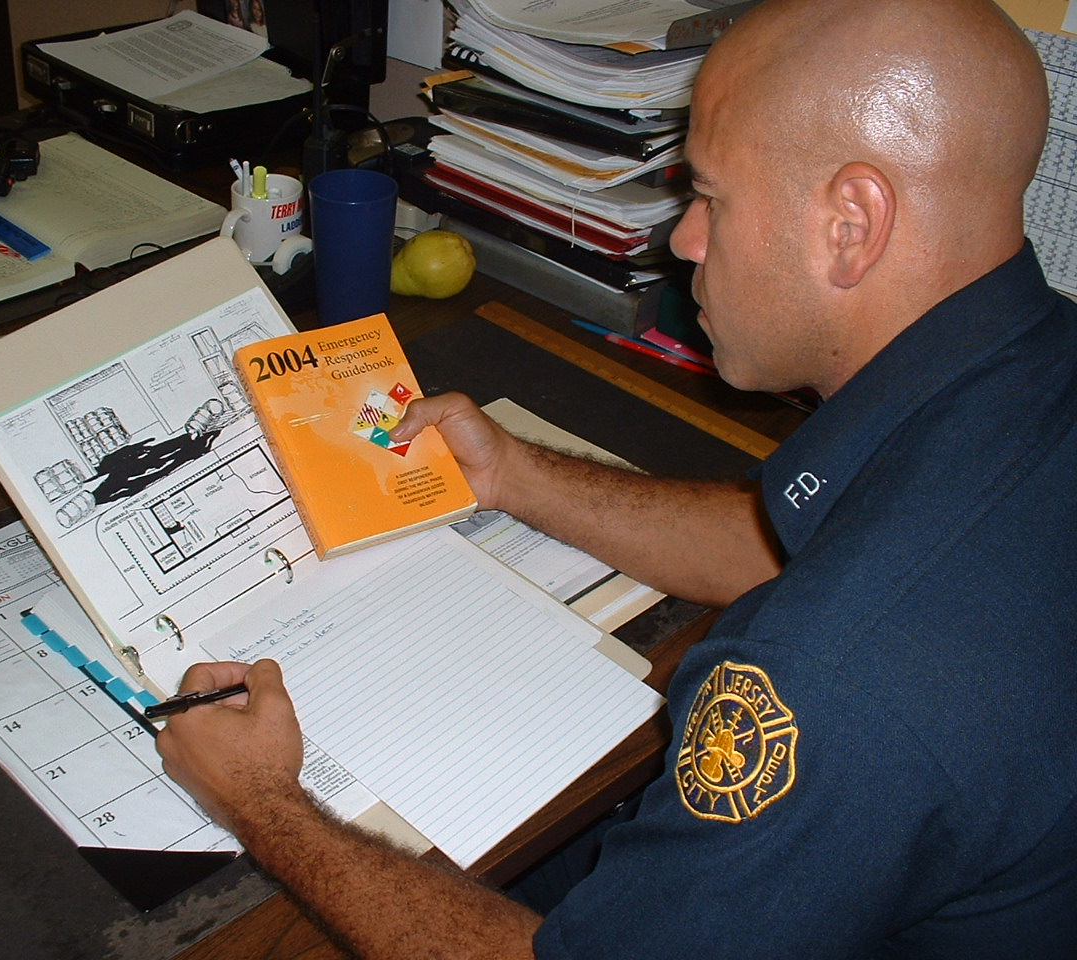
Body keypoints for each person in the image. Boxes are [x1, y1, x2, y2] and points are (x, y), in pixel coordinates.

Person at [156, 0, 1077, 955]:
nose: (682, 241)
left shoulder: (830, 687)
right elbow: (788, 547)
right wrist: (512, 475)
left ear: (852, 223)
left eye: (710, 196)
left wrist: (265, 806)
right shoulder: (1030, 368)